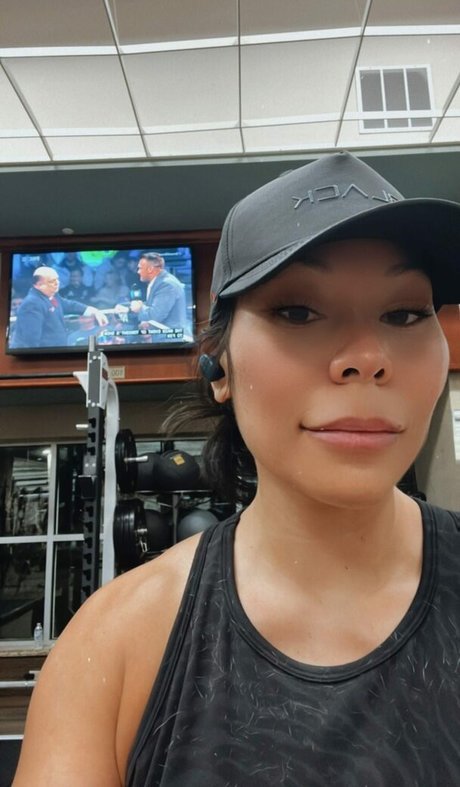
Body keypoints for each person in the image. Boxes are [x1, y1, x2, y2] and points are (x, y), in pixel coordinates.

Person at [13, 152, 460, 786]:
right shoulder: (113, 645)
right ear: (218, 366)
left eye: (406, 313)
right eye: (298, 311)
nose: (367, 356)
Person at [10, 266, 108, 349]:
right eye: (52, 281)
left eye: (57, 279)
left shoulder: (52, 295)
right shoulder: (32, 304)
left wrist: (93, 311)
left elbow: (68, 305)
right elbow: (30, 341)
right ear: (39, 285)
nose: (57, 283)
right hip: (44, 358)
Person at [118, 251, 187, 332]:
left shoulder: (166, 284)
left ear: (150, 269)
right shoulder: (159, 282)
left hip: (171, 337)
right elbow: (153, 306)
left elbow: (156, 315)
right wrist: (127, 307)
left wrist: (139, 308)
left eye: (140, 268)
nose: (138, 272)